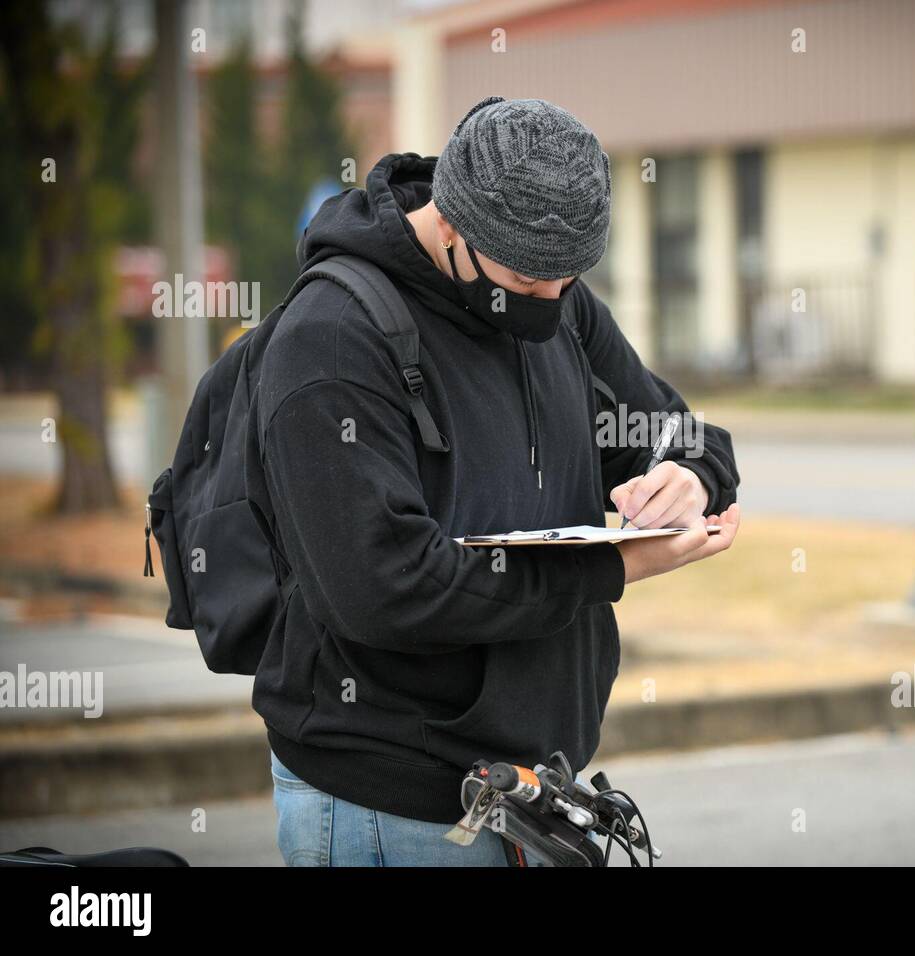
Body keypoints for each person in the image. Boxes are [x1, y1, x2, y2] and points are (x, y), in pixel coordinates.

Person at [247, 96, 742, 866]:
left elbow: (675, 427)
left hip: (534, 788)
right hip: (393, 804)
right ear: (451, 225)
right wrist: (610, 566)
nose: (550, 303)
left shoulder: (558, 301)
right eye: (527, 280)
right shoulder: (332, 340)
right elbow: (384, 587)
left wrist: (689, 475)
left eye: (570, 279)